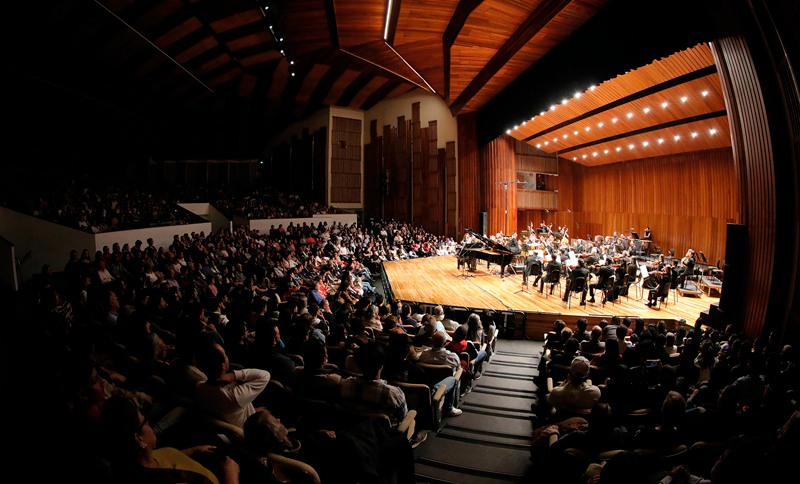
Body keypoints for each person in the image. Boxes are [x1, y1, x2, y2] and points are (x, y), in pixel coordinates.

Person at [244, 409, 416, 484]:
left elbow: (306, 442)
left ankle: (388, 461)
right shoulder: (302, 459)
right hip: (353, 463)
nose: (279, 420)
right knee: (400, 442)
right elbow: (334, 476)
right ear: (274, 433)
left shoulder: (282, 448)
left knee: (374, 424)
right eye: (275, 421)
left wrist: (318, 433)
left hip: (341, 451)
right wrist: (346, 445)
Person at [99, 395, 241, 484]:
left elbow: (165, 461)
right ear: (139, 439)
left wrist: (194, 450)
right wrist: (231, 475)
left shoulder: (142, 459)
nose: (150, 425)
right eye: (146, 422)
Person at [194, 344, 271, 428]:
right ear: (223, 366)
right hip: (253, 426)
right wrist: (234, 375)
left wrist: (253, 410)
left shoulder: (199, 387)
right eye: (226, 355)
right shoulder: (234, 397)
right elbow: (265, 375)